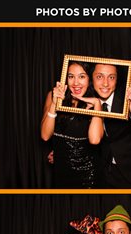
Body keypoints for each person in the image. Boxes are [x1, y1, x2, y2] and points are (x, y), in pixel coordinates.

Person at [41, 60, 105, 188]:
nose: (76, 83)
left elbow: (95, 140)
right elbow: (45, 135)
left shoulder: (96, 103)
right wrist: (54, 104)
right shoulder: (53, 96)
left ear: (89, 79)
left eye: (82, 76)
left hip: (88, 176)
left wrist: (97, 105)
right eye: (71, 76)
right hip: (60, 173)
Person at [91, 62, 131, 188]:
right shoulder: (87, 101)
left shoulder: (129, 100)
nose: (105, 83)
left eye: (111, 77)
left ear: (117, 80)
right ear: (91, 78)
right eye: (99, 77)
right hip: (102, 174)